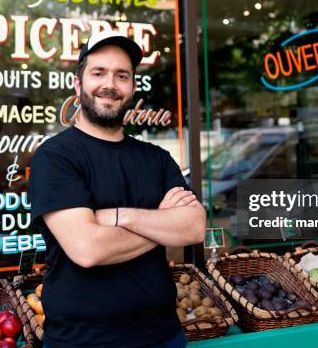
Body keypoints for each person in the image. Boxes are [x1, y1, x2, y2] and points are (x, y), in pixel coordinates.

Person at [29, 31, 206, 348]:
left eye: (121, 75)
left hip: (164, 337)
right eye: (98, 73)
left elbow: (193, 227)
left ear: (132, 87)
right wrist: (162, 221)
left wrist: (120, 216)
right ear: (78, 83)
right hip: (83, 341)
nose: (110, 84)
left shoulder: (157, 159)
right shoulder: (56, 157)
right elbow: (88, 249)